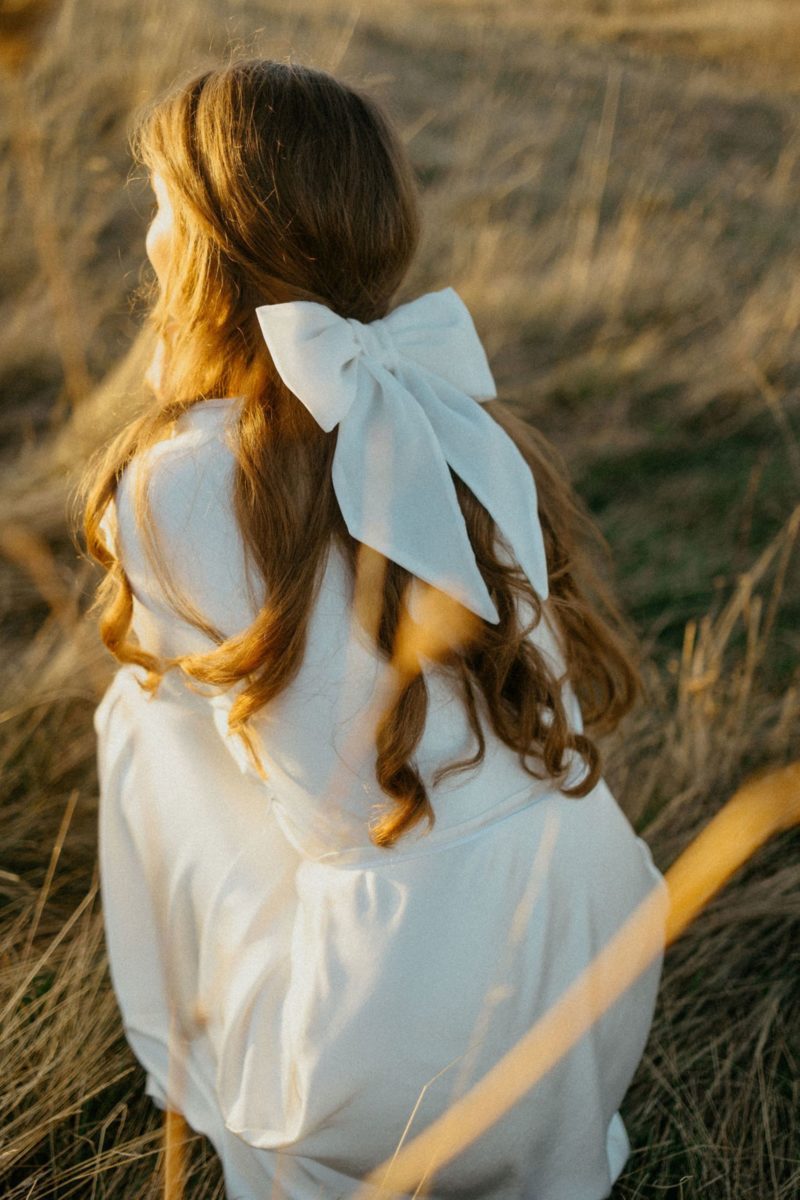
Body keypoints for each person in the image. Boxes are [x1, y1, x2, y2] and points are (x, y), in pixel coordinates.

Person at [79, 57, 668, 1200]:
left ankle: (210, 1045)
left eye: (161, 209)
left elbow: (184, 692)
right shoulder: (453, 417)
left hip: (390, 1020)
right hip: (590, 933)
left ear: (204, 242)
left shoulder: (172, 482)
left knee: (142, 713)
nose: (146, 238)